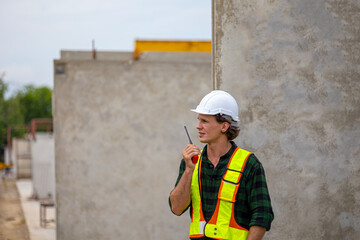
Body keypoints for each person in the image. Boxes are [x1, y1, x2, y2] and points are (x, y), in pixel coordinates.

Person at [169, 90, 274, 240]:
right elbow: (176, 208)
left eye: (204, 121)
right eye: (199, 120)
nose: (198, 126)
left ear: (224, 126)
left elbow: (262, 215)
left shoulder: (249, 164)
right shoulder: (192, 163)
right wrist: (188, 171)